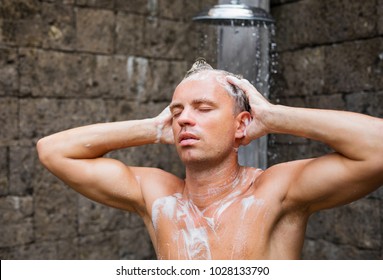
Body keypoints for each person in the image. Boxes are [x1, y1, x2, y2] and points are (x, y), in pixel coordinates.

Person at [37, 59, 383, 259]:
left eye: (202, 108)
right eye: (177, 112)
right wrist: (153, 128)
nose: (185, 119)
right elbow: (53, 151)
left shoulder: (275, 192)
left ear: (241, 125)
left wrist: (274, 117)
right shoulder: (158, 195)